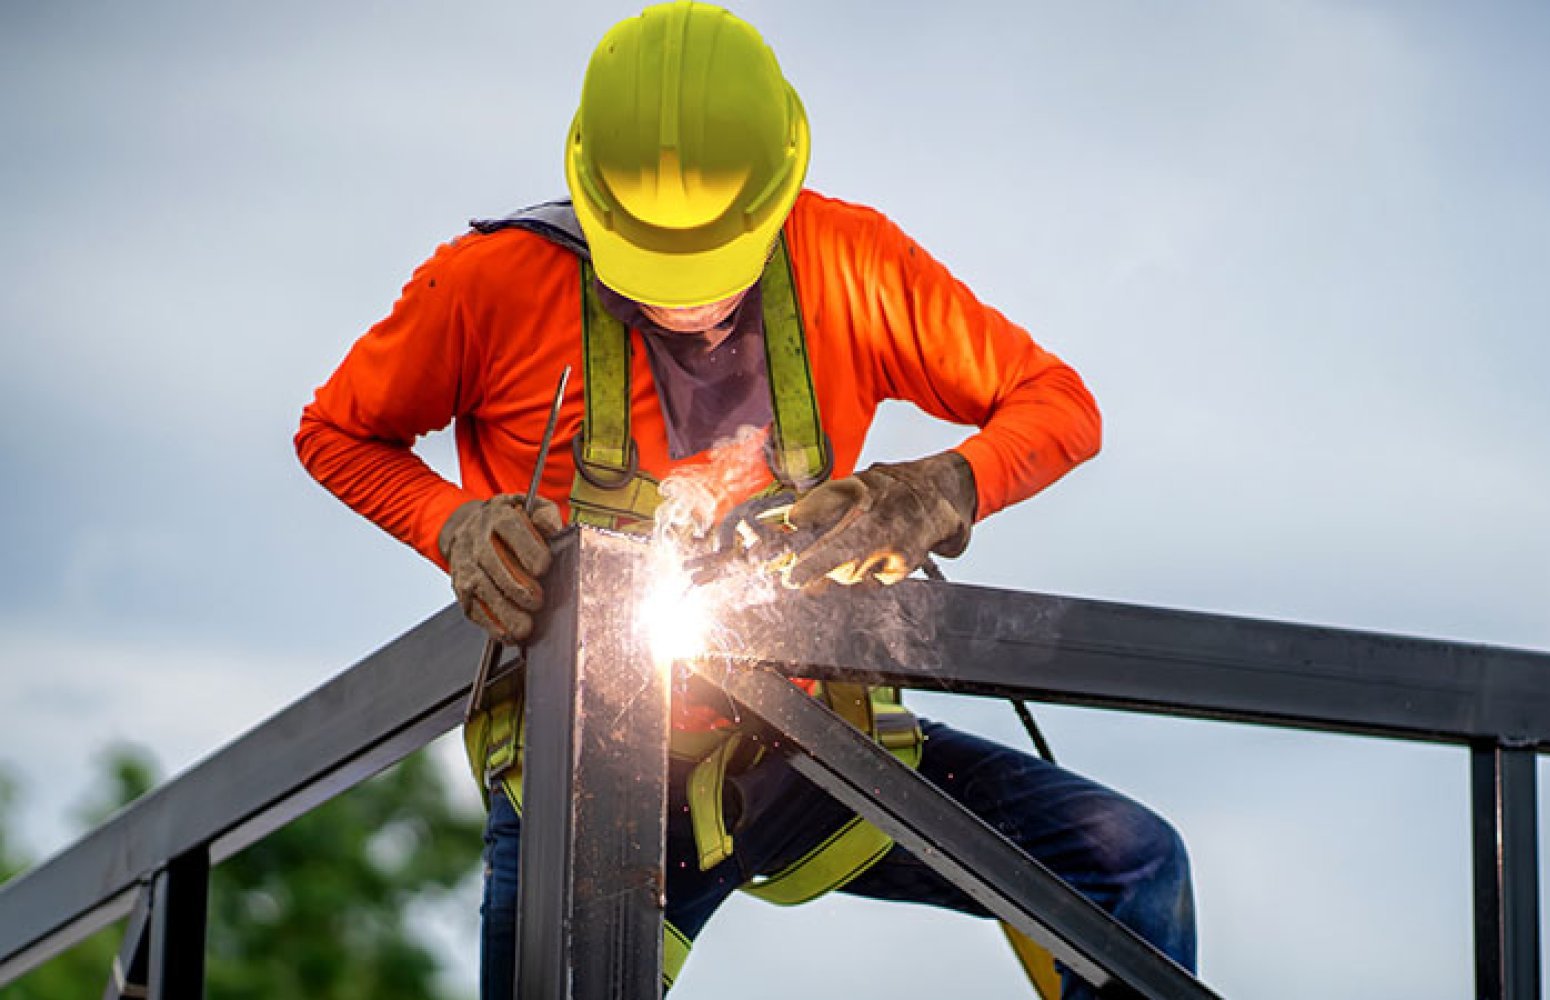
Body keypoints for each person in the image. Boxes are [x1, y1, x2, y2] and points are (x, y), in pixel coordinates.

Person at [295, 3, 1193, 997]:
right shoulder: (489, 288)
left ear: (776, 194)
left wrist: (941, 487)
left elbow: (1059, 404)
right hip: (584, 775)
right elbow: (335, 431)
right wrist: (451, 523)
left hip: (805, 744)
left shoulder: (849, 263)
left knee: (1127, 864)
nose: (682, 300)